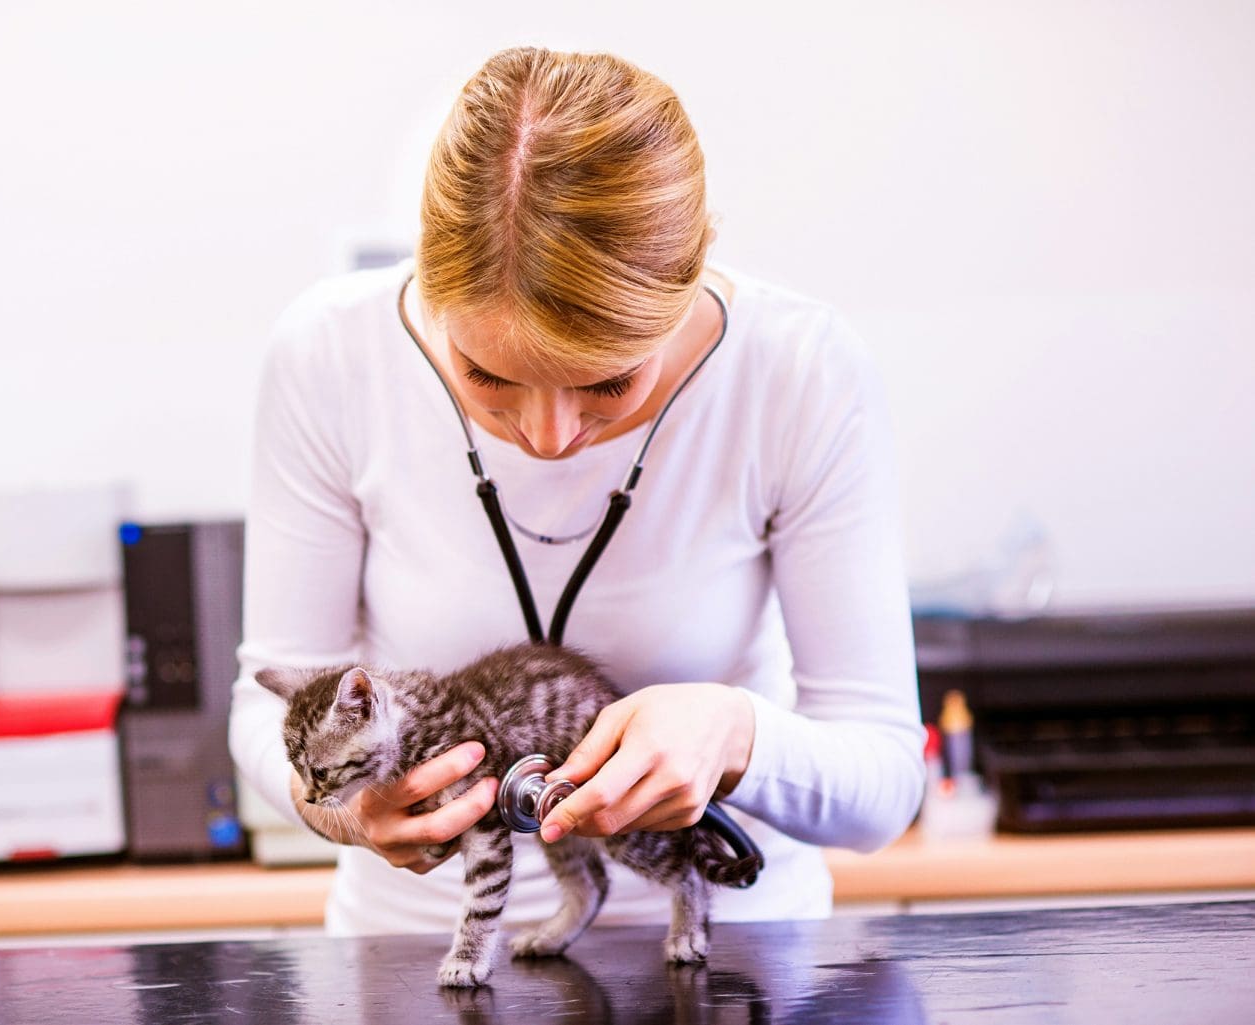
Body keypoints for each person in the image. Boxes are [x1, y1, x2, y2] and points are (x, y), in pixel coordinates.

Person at [229, 46, 924, 936]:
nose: (548, 438)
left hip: (736, 953)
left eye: (607, 384)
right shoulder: (329, 357)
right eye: (485, 375)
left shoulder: (798, 372)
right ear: (428, 286)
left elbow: (884, 786)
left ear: (681, 295)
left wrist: (737, 735)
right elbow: (263, 702)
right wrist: (337, 809)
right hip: (418, 954)